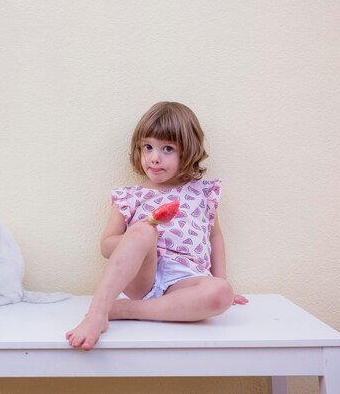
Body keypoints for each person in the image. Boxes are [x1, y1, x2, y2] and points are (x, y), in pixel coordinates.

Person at [66, 101, 248, 350]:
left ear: (188, 151)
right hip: (142, 278)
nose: (154, 158)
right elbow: (106, 246)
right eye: (148, 147)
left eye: (167, 149)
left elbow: (214, 238)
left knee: (221, 292)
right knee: (142, 230)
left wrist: (221, 280)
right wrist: (138, 235)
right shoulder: (130, 197)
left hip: (186, 281)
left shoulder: (202, 193)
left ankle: (124, 310)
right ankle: (97, 313)